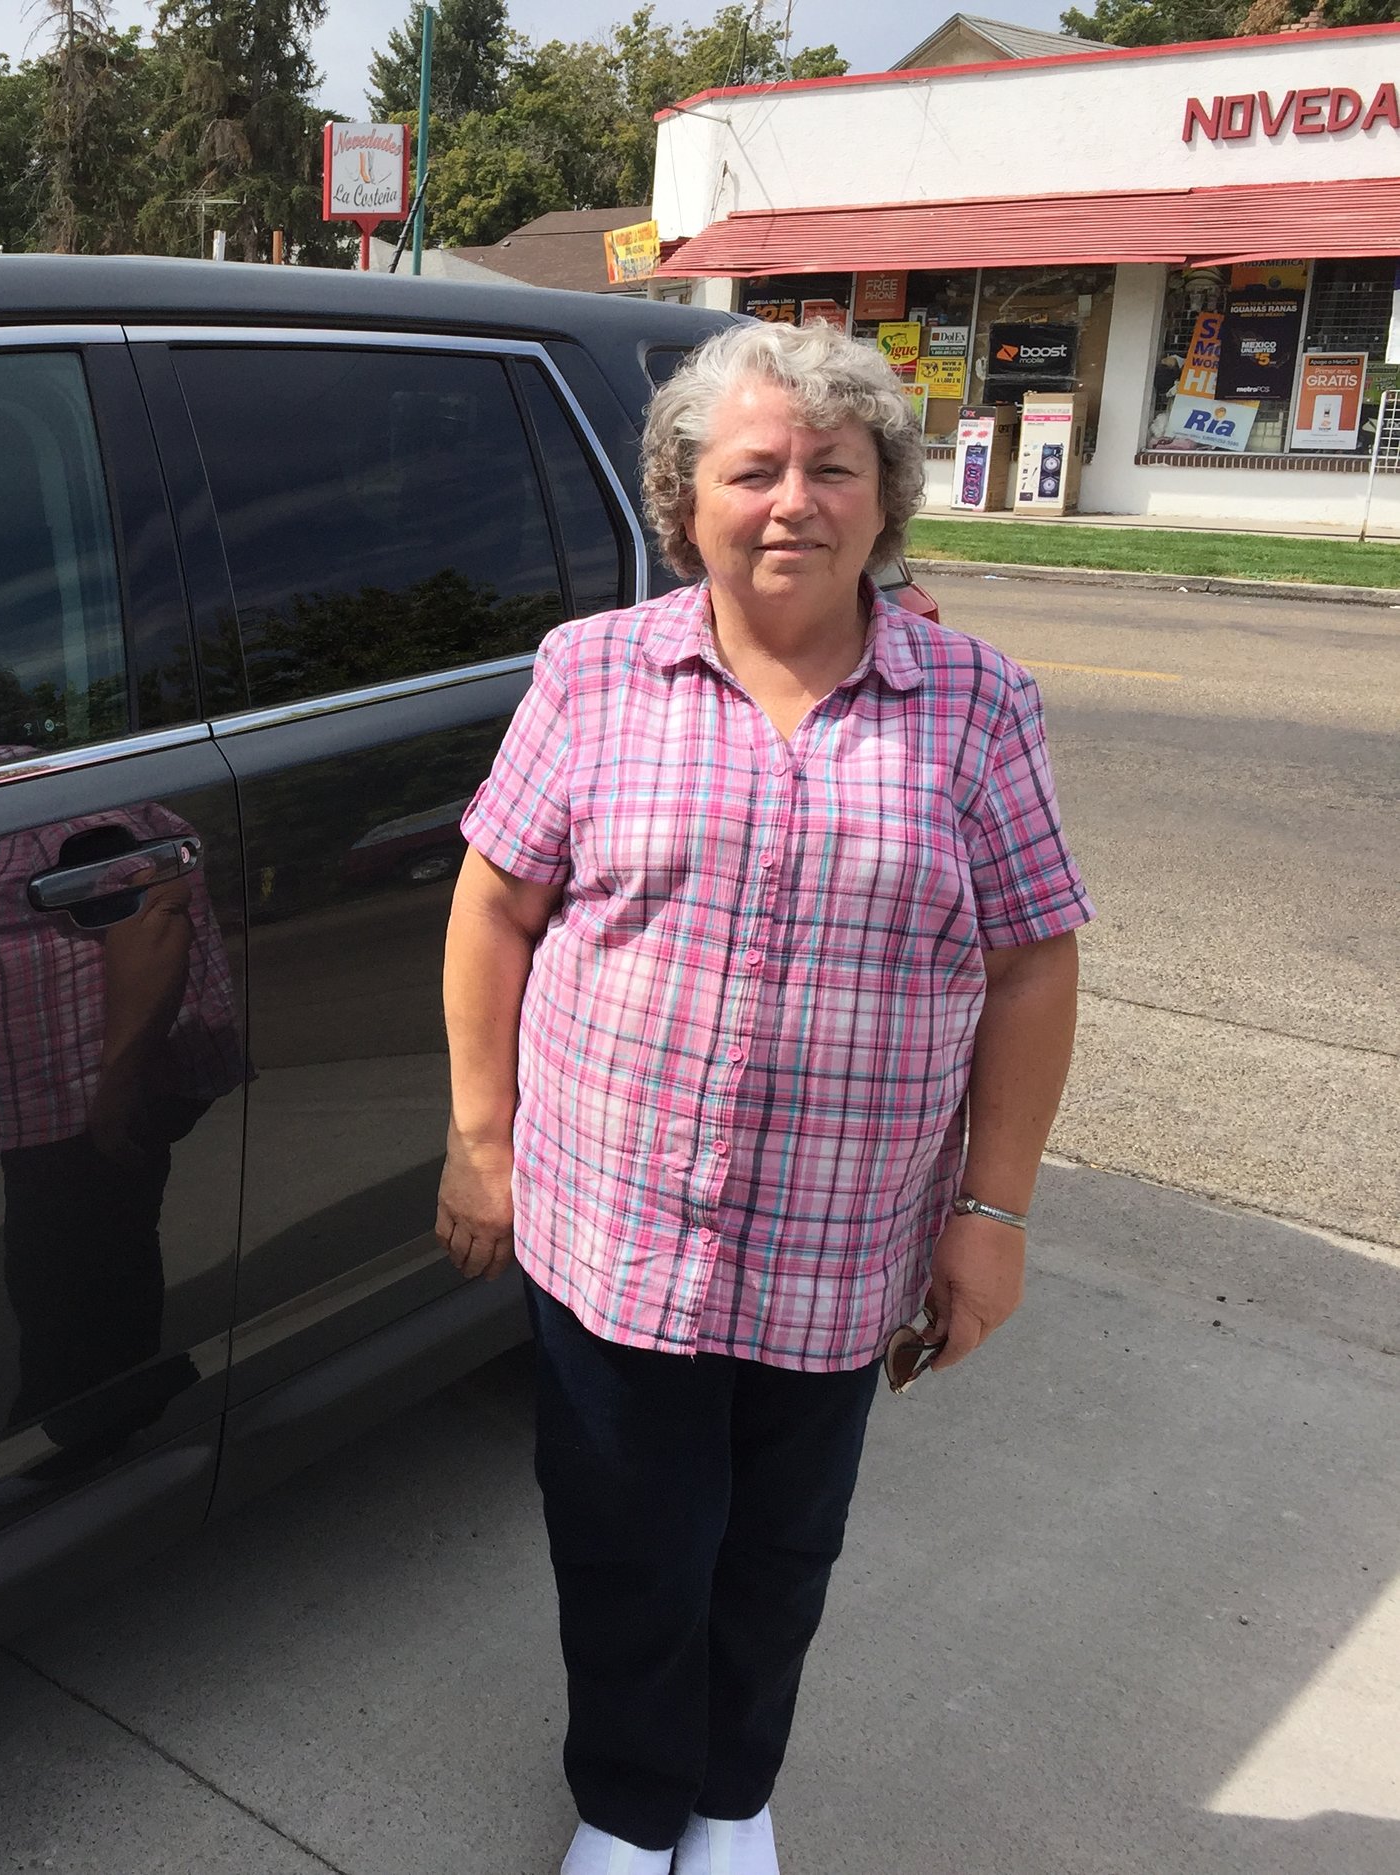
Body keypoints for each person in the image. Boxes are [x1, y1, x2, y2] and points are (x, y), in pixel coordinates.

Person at [436, 320, 1089, 1875]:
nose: (792, 499)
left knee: (782, 1543)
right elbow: (495, 907)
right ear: (686, 502)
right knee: (623, 1536)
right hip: (614, 1222)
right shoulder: (592, 673)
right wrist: (480, 1140)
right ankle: (626, 1806)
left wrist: (993, 1213)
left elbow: (1031, 965)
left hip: (840, 1237)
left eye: (831, 467)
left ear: (885, 496)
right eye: (753, 470)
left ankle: (730, 1795)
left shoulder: (976, 703)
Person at [0, 656, 239, 1467]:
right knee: (80, 1260)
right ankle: (107, 1409)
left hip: (85, 1098)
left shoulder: (35, 795)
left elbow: (153, 910)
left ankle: (83, 1441)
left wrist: (116, 1089)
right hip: (57, 1102)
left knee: (72, 1273)